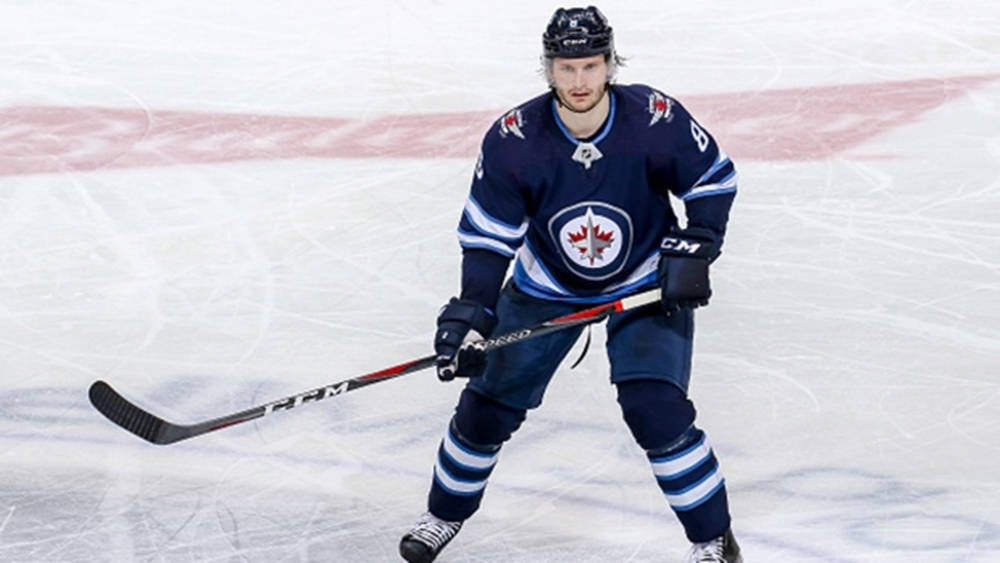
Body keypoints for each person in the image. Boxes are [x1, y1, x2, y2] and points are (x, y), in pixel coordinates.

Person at [399, 6, 742, 563]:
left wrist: (699, 242)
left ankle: (713, 542)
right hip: (548, 286)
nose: (578, 81)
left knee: (655, 410)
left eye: (589, 66)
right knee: (485, 410)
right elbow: (488, 239)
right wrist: (472, 313)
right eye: (566, 68)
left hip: (644, 281)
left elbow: (712, 180)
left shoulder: (653, 118)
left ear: (609, 64)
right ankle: (442, 516)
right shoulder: (515, 139)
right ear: (548, 69)